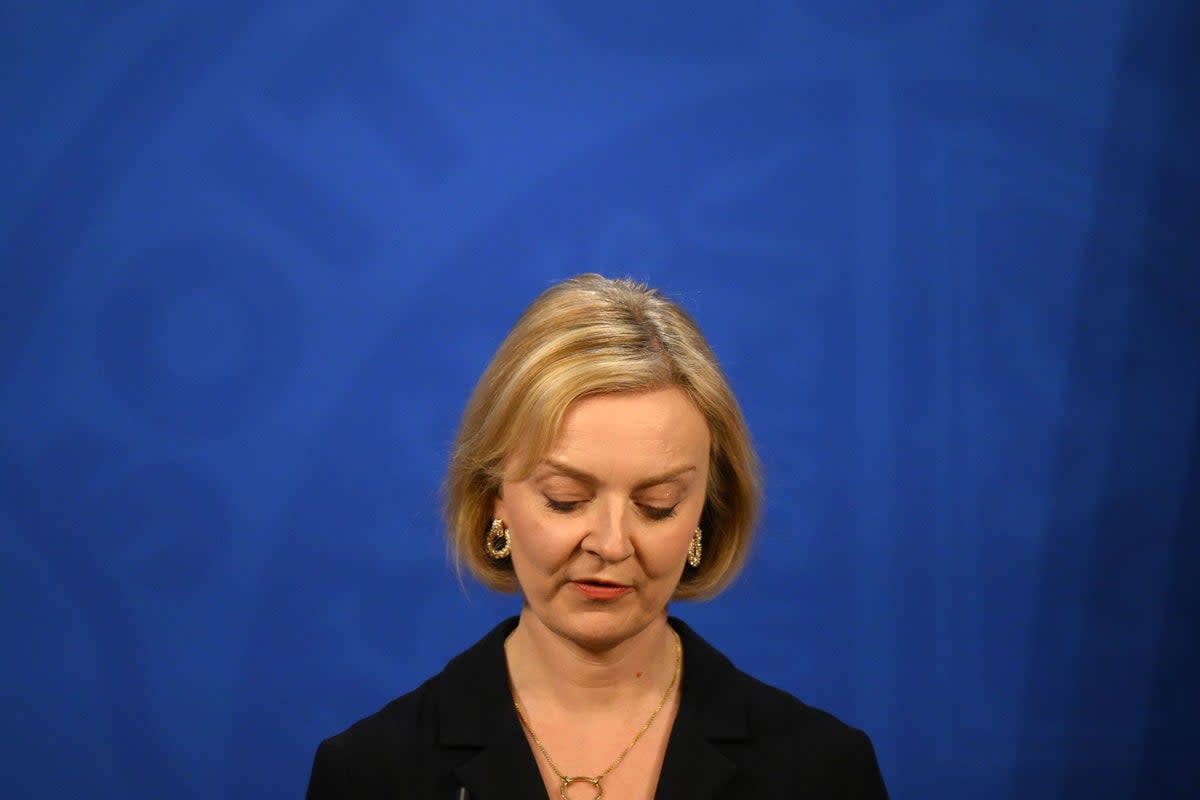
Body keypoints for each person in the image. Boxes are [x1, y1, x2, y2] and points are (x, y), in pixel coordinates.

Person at [305, 274, 888, 799]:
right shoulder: (369, 776)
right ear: (494, 502)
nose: (611, 545)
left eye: (657, 505)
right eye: (567, 500)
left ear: (704, 516)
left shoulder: (825, 772)